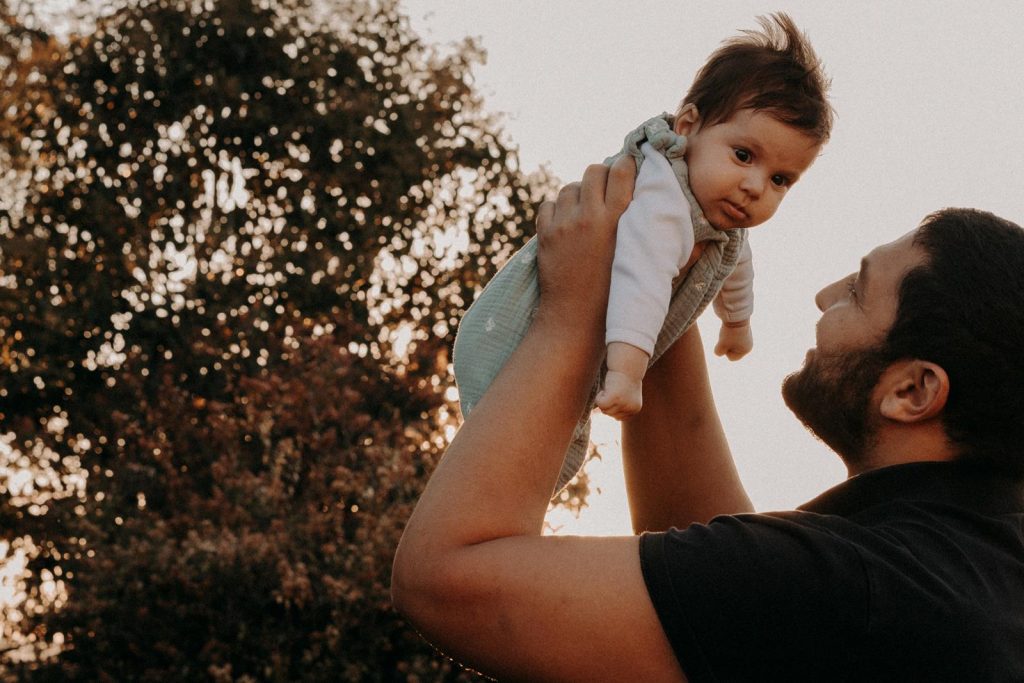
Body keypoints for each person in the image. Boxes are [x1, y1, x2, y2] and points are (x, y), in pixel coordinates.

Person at [391, 156, 1024, 679]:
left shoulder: (859, 588)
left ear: (914, 391)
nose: (825, 296)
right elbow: (713, 590)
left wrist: (570, 314)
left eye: (857, 293)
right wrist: (656, 275)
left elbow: (446, 579)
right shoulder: (964, 566)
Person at [452, 14, 831, 490]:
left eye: (781, 179)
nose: (756, 186)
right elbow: (643, 276)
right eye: (743, 155)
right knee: (516, 451)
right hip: (523, 328)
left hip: (582, 337)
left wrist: (736, 325)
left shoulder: (720, 218)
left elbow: (736, 266)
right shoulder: (662, 196)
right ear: (689, 126)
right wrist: (628, 374)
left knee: (544, 451)